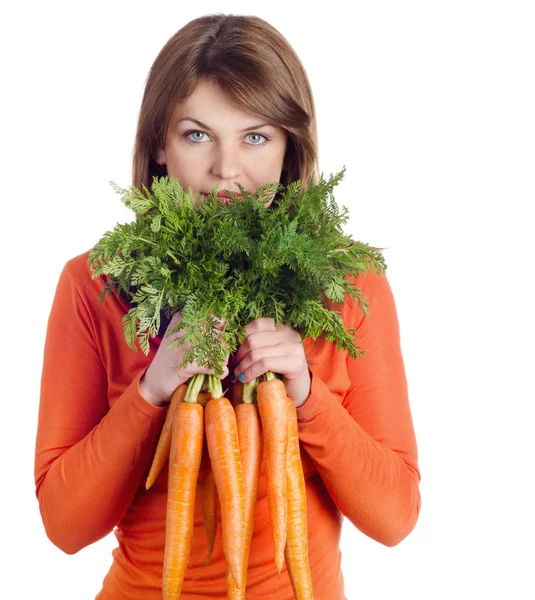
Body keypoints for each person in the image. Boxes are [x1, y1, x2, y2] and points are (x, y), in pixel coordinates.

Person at [34, 13, 421, 600]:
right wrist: (150, 393)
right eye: (197, 134)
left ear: (290, 148)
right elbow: (63, 527)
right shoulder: (93, 287)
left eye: (256, 136)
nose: (226, 169)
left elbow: (395, 519)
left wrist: (307, 396)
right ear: (159, 145)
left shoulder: (349, 286)